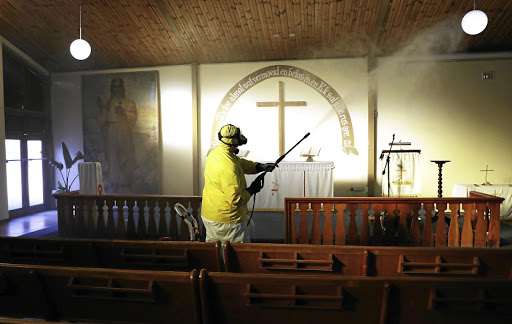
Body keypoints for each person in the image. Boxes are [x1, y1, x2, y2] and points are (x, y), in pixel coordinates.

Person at [201, 124, 275, 243]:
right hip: (227, 220)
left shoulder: (216, 154)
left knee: (214, 252)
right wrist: (252, 190)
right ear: (233, 142)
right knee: (238, 254)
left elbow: (240, 163)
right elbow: (236, 198)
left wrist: (259, 167)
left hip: (211, 214)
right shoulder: (229, 167)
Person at [97, 77, 138, 193]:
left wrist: (124, 112)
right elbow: (101, 120)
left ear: (122, 88)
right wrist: (102, 108)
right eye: (114, 87)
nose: (116, 89)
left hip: (124, 131)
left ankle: (127, 182)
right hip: (111, 132)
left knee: (127, 156)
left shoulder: (129, 102)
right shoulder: (108, 103)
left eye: (118, 86)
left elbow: (134, 117)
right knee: (113, 158)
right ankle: (115, 183)